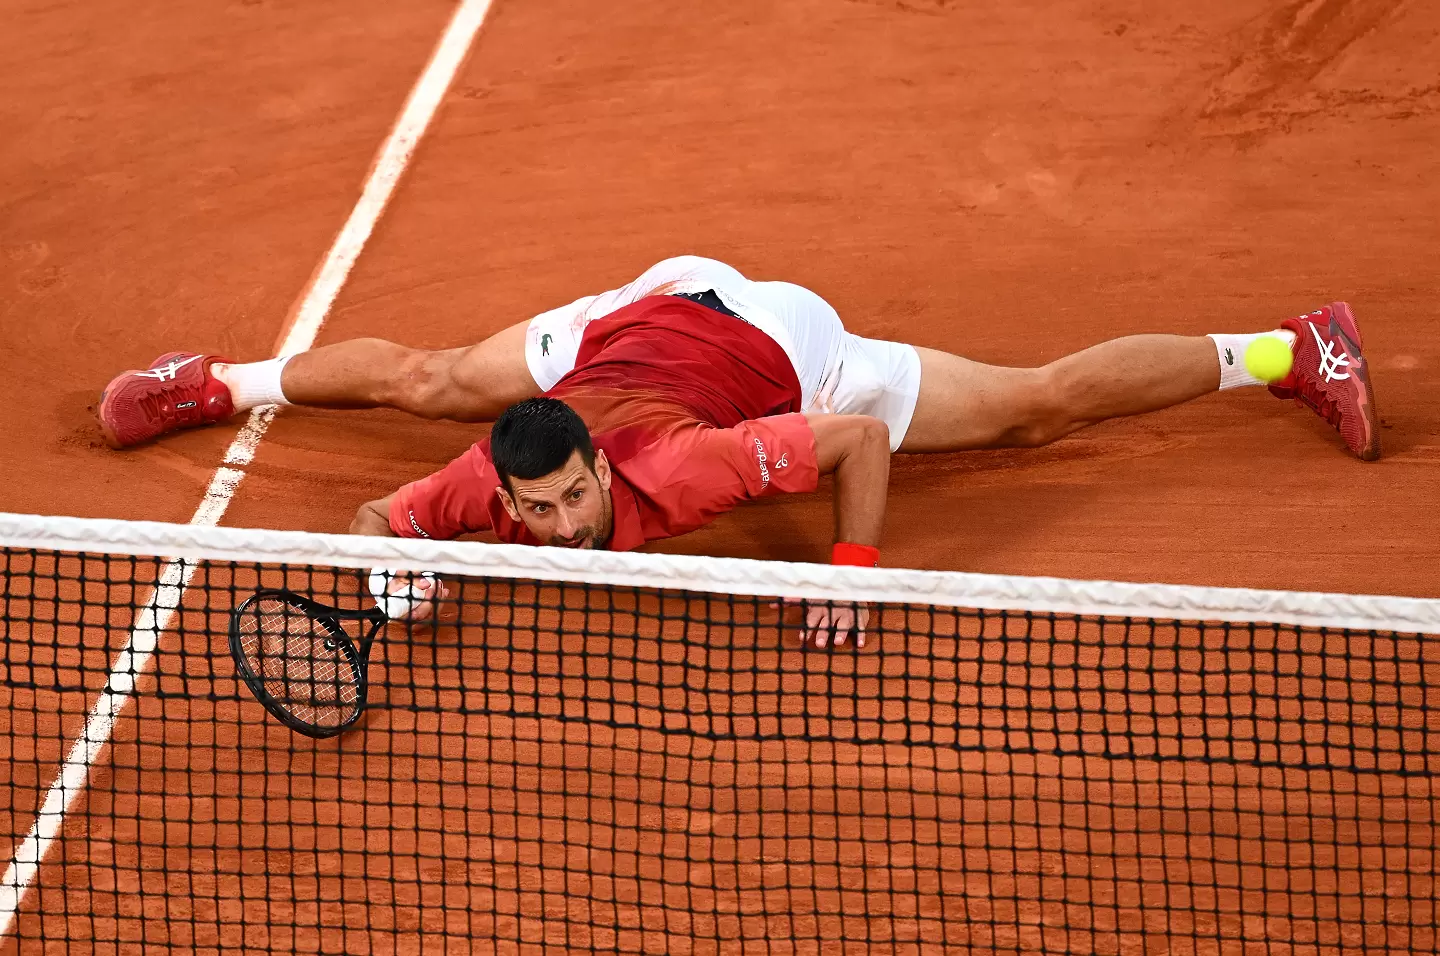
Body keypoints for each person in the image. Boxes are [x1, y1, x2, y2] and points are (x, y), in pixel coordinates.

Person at [94, 255, 1380, 643]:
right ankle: (212, 380)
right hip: (637, 316)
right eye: (525, 510)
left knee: (1036, 405)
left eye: (558, 504)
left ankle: (1289, 347)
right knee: (432, 377)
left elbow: (862, 435)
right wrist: (393, 566)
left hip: (781, 339)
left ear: (596, 476)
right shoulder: (497, 472)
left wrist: (850, 565)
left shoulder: (694, 468)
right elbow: (387, 510)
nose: (544, 528)